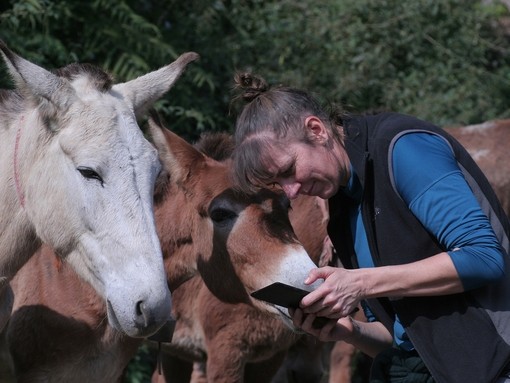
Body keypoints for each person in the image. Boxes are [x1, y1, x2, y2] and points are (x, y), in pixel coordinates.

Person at [230, 72, 510, 383]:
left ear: (316, 130)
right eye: (278, 182)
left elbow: (485, 257)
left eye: (288, 170)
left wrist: (361, 282)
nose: (291, 190)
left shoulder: (402, 149)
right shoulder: (341, 205)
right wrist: (347, 330)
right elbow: (397, 339)